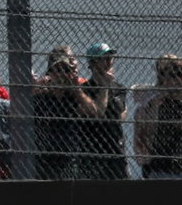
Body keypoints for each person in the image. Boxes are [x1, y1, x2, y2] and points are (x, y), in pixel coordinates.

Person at [135, 55, 182, 180]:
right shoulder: (156, 103)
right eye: (171, 75)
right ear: (164, 78)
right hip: (161, 170)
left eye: (179, 74)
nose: (176, 79)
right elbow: (147, 134)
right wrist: (156, 104)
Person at [33, 46, 96, 181]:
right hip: (44, 159)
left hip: (71, 158)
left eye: (66, 70)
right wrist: (37, 87)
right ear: (50, 73)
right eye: (57, 70)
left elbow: (93, 112)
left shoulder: (75, 96)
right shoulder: (41, 96)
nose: (61, 75)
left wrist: (76, 89)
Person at [79, 43, 128, 180]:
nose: (109, 62)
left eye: (110, 58)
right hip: (93, 150)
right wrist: (105, 86)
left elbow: (122, 114)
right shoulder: (85, 89)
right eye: (104, 58)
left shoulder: (119, 89)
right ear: (93, 63)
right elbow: (98, 112)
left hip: (116, 149)